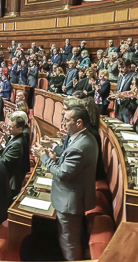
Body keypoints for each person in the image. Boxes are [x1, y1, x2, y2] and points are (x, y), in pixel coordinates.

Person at [34, 106, 97, 261]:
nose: (63, 123)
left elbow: (62, 174)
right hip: (75, 195)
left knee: (69, 242)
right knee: (72, 237)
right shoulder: (84, 138)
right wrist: (54, 151)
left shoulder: (80, 146)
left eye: (67, 120)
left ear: (79, 123)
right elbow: (69, 157)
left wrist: (43, 156)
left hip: (70, 203)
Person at [0, 112, 28, 200]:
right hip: (10, 177)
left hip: (11, 180)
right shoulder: (15, 137)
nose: (8, 128)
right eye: (8, 125)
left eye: (11, 127)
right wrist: (1, 144)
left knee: (6, 202)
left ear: (20, 129)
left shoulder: (17, 143)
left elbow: (3, 162)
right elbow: (7, 154)